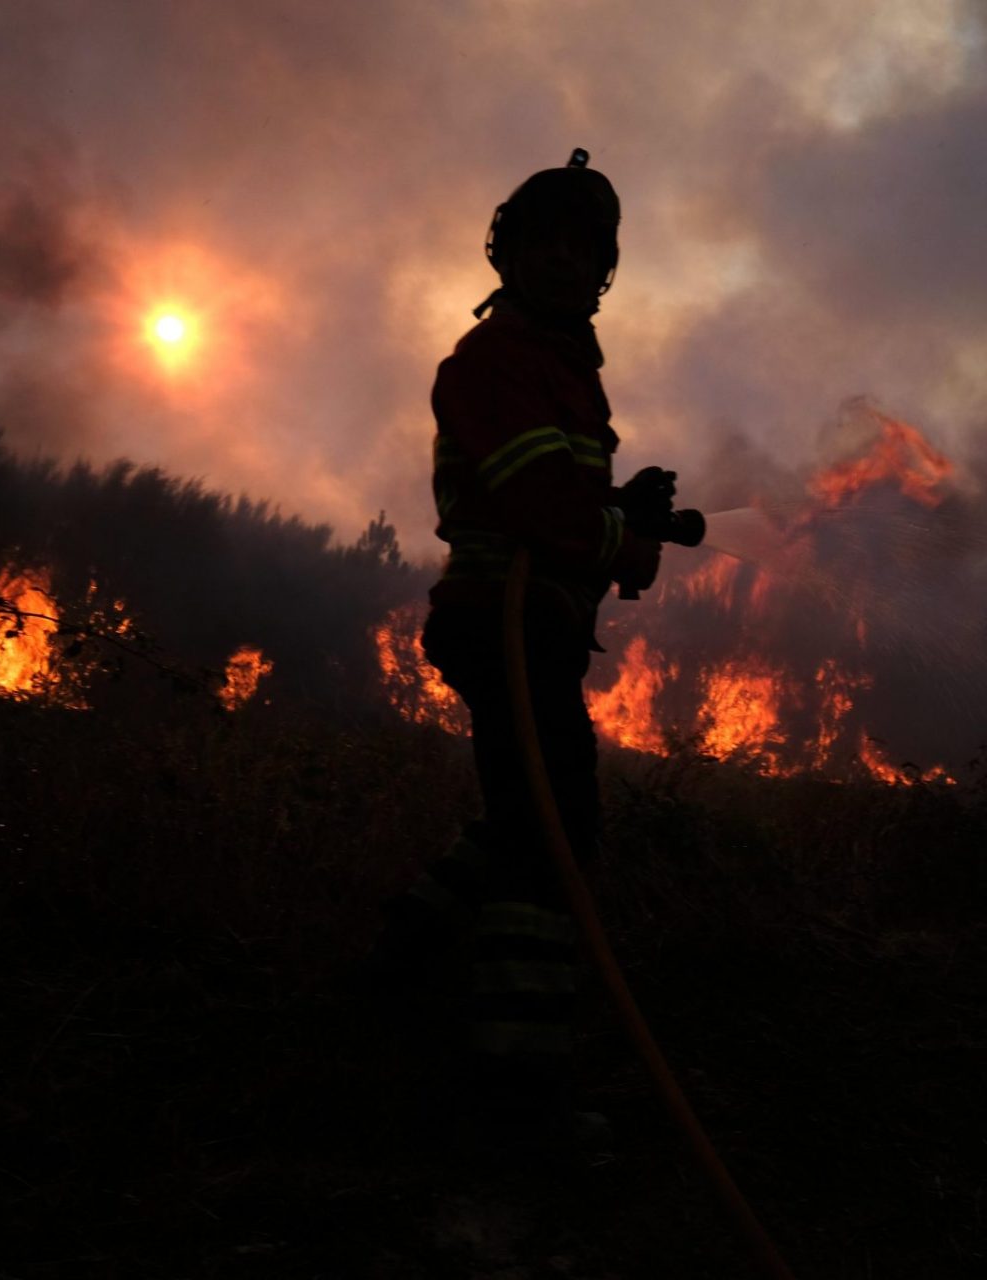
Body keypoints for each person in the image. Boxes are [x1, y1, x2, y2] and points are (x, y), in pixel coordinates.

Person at [368, 149, 681, 1159]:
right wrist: (620, 536)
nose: (561, 259)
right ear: (509, 252)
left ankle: (396, 958)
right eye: (542, 240)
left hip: (535, 619)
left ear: (603, 267)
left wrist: (625, 520)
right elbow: (543, 507)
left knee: (523, 813)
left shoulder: (564, 373)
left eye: (581, 246)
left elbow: (571, 511)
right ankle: (518, 1091)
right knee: (554, 831)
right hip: (497, 622)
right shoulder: (495, 361)